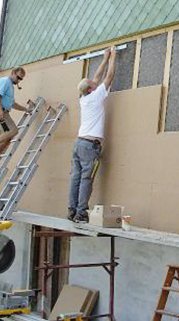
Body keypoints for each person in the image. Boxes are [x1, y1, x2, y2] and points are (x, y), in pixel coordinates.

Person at [68, 46, 117, 223]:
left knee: (76, 178)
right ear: (90, 89)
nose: (95, 83)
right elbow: (108, 78)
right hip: (90, 146)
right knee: (86, 180)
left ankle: (71, 210)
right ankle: (81, 213)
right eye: (92, 84)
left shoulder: (84, 97)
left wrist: (104, 58)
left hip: (80, 143)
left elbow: (96, 78)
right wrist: (114, 57)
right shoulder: (96, 96)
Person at [0, 67, 30, 170]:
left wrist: (25, 109)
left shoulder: (10, 86)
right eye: (18, 77)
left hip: (3, 111)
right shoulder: (5, 81)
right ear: (13, 73)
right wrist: (0, 110)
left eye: (21, 79)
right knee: (13, 130)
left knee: (7, 138)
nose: (18, 80)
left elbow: (12, 104)